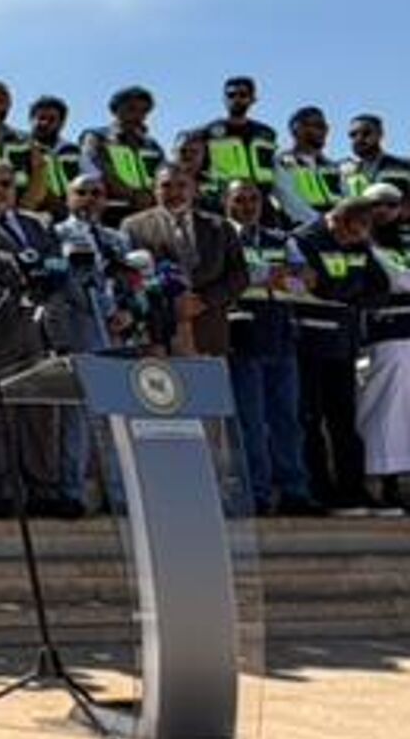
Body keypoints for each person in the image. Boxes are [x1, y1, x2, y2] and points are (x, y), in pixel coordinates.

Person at [0, 160, 62, 514]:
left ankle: (43, 488)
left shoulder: (35, 223)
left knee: (40, 411)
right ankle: (2, 488)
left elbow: (55, 262)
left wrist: (46, 274)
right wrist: (25, 268)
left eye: (5, 184)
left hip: (37, 325)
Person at [223, 177, 315, 515]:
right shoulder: (221, 236)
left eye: (253, 200)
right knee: (250, 421)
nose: (247, 206)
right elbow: (231, 278)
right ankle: (256, 493)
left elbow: (306, 281)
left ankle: (294, 491)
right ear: (226, 203)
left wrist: (269, 276)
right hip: (242, 337)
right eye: (239, 199)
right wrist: (269, 275)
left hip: (280, 335)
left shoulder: (281, 238)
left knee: (287, 420)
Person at [292, 195, 386, 510]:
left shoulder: (359, 242)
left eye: (362, 233)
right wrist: (349, 291)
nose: (355, 239)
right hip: (309, 344)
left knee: (345, 421)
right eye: (352, 232)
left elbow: (380, 287)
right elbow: (317, 287)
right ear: (337, 220)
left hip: (343, 344)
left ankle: (353, 490)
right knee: (310, 421)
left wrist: (347, 295)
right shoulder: (304, 240)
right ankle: (320, 490)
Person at [50, 175, 132, 511]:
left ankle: (117, 494)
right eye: (80, 192)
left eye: (96, 193)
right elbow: (56, 287)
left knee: (116, 419)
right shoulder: (55, 234)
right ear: (68, 198)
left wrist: (127, 310)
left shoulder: (118, 238)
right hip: (78, 332)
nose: (89, 198)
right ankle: (72, 491)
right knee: (77, 420)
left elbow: (132, 281)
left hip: (116, 337)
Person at [122, 164, 247, 358]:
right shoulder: (133, 227)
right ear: (154, 189)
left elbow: (239, 276)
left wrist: (204, 301)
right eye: (166, 186)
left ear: (194, 189)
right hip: (158, 339)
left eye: (181, 185)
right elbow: (128, 280)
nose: (174, 193)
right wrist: (168, 306)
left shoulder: (220, 227)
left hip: (210, 332)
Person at [357, 183, 410, 504]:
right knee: (383, 409)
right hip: (383, 337)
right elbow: (397, 280)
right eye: (376, 204)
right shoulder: (361, 245)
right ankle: (384, 480)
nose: (384, 211)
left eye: (391, 205)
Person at [80, 86, 165, 225]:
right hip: (111, 214)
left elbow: (163, 174)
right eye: (131, 109)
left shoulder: (152, 145)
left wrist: (151, 196)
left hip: (148, 213)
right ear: (115, 110)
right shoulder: (97, 138)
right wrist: (133, 195)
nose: (138, 116)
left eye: (144, 111)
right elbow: (97, 171)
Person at [200, 76, 279, 212]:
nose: (236, 99)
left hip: (261, 205)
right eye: (231, 95)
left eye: (242, 95)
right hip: (221, 205)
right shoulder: (208, 132)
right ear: (224, 99)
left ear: (253, 99)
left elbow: (272, 169)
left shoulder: (267, 133)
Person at [274, 106, 346, 227]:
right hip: (301, 232)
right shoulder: (282, 162)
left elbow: (346, 199)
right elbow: (291, 203)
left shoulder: (333, 167)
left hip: (338, 231)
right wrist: (325, 225)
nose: (324, 131)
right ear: (297, 130)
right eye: (317, 125)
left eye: (325, 127)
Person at [25, 94, 81, 216]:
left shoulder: (75, 151)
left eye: (51, 119)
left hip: (72, 214)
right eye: (41, 118)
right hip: (35, 213)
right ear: (30, 119)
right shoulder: (21, 148)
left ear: (62, 123)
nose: (45, 123)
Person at [342, 113, 410, 199]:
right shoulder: (345, 173)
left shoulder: (404, 167)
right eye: (353, 135)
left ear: (380, 134)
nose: (358, 139)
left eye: (366, 133)